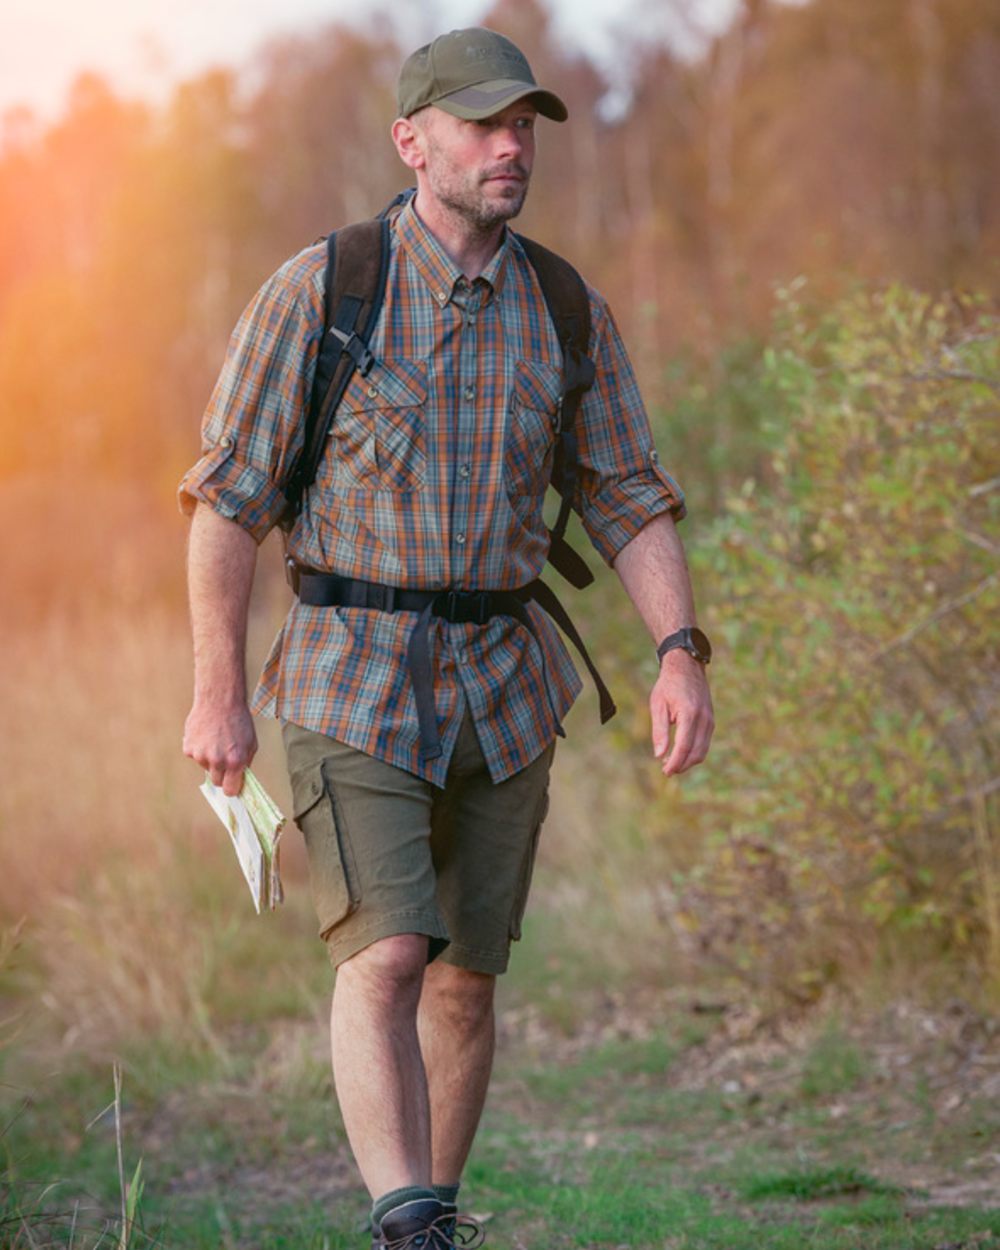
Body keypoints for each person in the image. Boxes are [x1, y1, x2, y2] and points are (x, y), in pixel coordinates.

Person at [179, 26, 713, 1250]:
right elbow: (225, 503)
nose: (510, 145)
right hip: (349, 670)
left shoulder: (565, 308)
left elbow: (626, 490)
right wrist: (218, 689)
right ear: (411, 141)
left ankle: (430, 1216)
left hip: (504, 686)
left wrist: (679, 645)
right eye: (482, 124)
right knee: (390, 950)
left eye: (523, 124)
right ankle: (407, 1221)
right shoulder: (324, 289)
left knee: (466, 980)